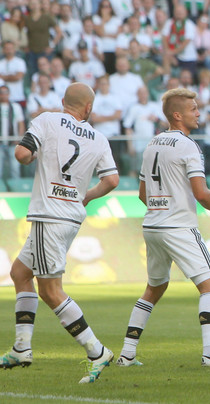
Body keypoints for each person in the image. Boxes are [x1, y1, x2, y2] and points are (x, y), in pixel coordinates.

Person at [0, 82, 119, 384]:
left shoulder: (47, 120)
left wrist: (30, 156)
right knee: (19, 272)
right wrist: (87, 195)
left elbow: (22, 153)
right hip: (71, 217)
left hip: (48, 214)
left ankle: (96, 351)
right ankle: (21, 348)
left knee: (50, 291)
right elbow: (112, 180)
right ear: (89, 108)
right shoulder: (99, 137)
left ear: (63, 101)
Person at [116, 88, 210, 368]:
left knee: (154, 289)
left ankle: (127, 354)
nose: (198, 113)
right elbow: (201, 192)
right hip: (179, 226)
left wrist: (162, 204)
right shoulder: (188, 145)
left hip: (153, 225)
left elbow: (141, 194)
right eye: (193, 109)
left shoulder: (152, 144)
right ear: (177, 115)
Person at [0, 85, 25, 181]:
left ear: (9, 94)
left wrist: (19, 138)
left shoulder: (15, 107)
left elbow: (20, 123)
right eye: (1, 93)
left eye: (5, 93)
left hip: (12, 141)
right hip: (0, 141)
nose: (3, 95)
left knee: (15, 168)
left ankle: (16, 188)